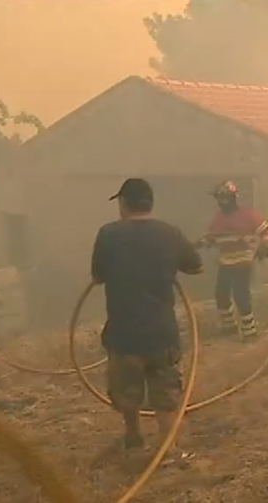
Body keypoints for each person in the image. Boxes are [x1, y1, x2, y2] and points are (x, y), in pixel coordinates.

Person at [91, 178, 203, 452]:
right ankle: (169, 449)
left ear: (123, 203)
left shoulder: (108, 234)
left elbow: (98, 277)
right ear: (150, 202)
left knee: (127, 390)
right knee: (165, 394)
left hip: (124, 333)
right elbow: (196, 266)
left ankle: (133, 435)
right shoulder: (170, 233)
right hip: (160, 333)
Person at [197, 180, 268, 338]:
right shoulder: (218, 219)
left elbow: (266, 232)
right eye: (219, 199)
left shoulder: (249, 215)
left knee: (240, 294)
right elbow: (211, 238)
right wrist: (196, 245)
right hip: (225, 261)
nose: (222, 202)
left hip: (244, 260)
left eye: (225, 198)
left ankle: (249, 331)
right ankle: (229, 327)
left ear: (234, 198)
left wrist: (265, 245)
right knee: (221, 294)